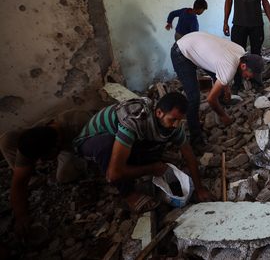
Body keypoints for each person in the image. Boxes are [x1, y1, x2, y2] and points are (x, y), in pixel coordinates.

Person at [74, 92, 216, 212]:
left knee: (158, 143)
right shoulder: (134, 121)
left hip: (123, 139)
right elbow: (113, 175)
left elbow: (188, 154)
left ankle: (133, 163)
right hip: (90, 141)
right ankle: (129, 195)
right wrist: (152, 168)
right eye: (173, 119)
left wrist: (200, 189)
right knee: (106, 146)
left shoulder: (173, 124)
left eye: (180, 120)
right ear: (159, 112)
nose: (176, 124)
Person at [0, 109, 90, 240]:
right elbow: (19, 181)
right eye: (37, 158)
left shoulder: (79, 123)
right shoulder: (31, 143)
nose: (41, 161)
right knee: (5, 140)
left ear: (58, 141)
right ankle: (37, 175)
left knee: (64, 177)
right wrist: (20, 215)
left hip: (73, 143)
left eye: (45, 156)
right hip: (51, 140)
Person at [171, 32, 264, 142]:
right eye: (248, 76)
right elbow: (210, 99)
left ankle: (222, 100)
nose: (247, 79)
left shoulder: (240, 51)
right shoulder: (229, 68)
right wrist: (223, 115)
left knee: (217, 77)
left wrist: (226, 88)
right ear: (243, 65)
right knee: (193, 97)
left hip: (191, 41)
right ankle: (195, 136)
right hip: (181, 52)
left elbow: (221, 70)